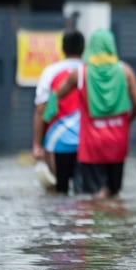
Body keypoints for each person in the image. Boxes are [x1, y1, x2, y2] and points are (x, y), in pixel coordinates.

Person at [57, 28, 136, 199]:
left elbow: (58, 94)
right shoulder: (125, 71)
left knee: (95, 194)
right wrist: (128, 120)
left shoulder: (81, 73)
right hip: (117, 140)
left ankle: (96, 223)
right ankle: (114, 223)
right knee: (114, 192)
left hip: (92, 143)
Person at [32, 29, 85, 194]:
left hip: (57, 142)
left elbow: (41, 109)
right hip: (86, 142)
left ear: (62, 49)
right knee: (84, 196)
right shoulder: (89, 70)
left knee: (57, 193)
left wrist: (37, 145)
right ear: (83, 49)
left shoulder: (50, 72)